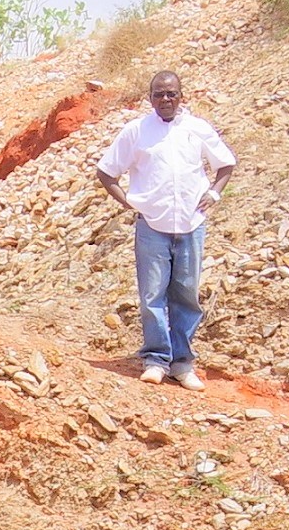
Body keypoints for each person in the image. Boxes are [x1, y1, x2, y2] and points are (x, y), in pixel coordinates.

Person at [94, 69, 235, 388]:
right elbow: (106, 172)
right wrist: (128, 202)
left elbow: (226, 164)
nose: (166, 99)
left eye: (171, 93)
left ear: (181, 95)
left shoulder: (197, 129)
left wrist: (213, 193)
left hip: (190, 224)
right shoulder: (136, 131)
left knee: (186, 294)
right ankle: (156, 359)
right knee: (152, 295)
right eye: (159, 94)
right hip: (152, 225)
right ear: (150, 98)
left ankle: (182, 364)